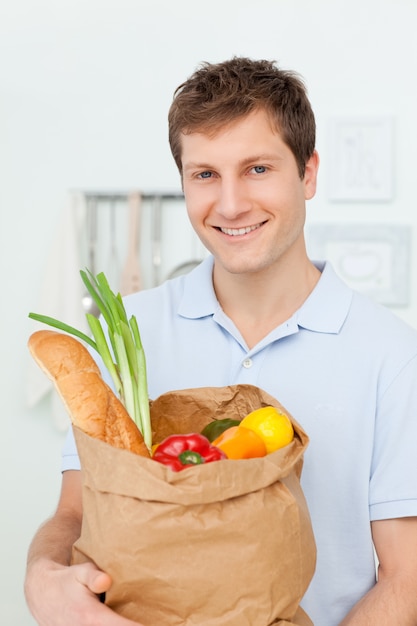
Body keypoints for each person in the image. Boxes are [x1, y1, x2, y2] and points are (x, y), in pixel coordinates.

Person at [24, 57, 417, 626]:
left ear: (308, 173)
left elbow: (405, 577)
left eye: (257, 169)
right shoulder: (128, 333)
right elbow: (73, 514)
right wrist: (42, 577)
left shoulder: (392, 355)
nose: (230, 204)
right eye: (205, 174)